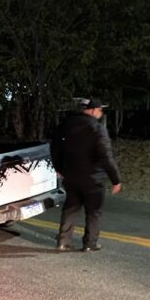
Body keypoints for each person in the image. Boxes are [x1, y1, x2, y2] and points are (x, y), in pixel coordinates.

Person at [50, 98, 122, 252]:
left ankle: (63, 242)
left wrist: (59, 168)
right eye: (100, 110)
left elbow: (55, 148)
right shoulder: (97, 128)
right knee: (93, 212)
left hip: (70, 175)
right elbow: (105, 156)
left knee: (70, 208)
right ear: (93, 110)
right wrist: (116, 179)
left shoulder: (66, 124)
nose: (101, 113)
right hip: (93, 178)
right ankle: (90, 243)